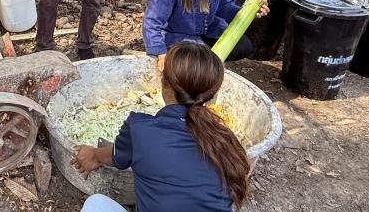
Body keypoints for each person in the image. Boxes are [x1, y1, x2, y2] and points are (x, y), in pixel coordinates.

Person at [72, 42, 250, 212]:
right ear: (210, 95)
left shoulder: (139, 129)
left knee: (96, 203)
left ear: (164, 82)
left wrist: (93, 153)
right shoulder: (225, 141)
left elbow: (110, 157)